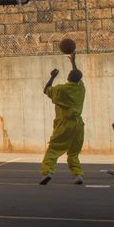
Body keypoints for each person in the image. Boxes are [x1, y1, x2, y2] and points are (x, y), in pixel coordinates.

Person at [39, 53, 86, 185]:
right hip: (78, 125)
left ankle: (47, 172)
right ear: (79, 79)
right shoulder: (81, 88)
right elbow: (77, 76)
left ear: (68, 77)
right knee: (73, 153)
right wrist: (73, 62)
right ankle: (78, 175)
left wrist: (52, 76)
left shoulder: (61, 89)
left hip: (64, 125)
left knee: (53, 149)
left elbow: (46, 90)